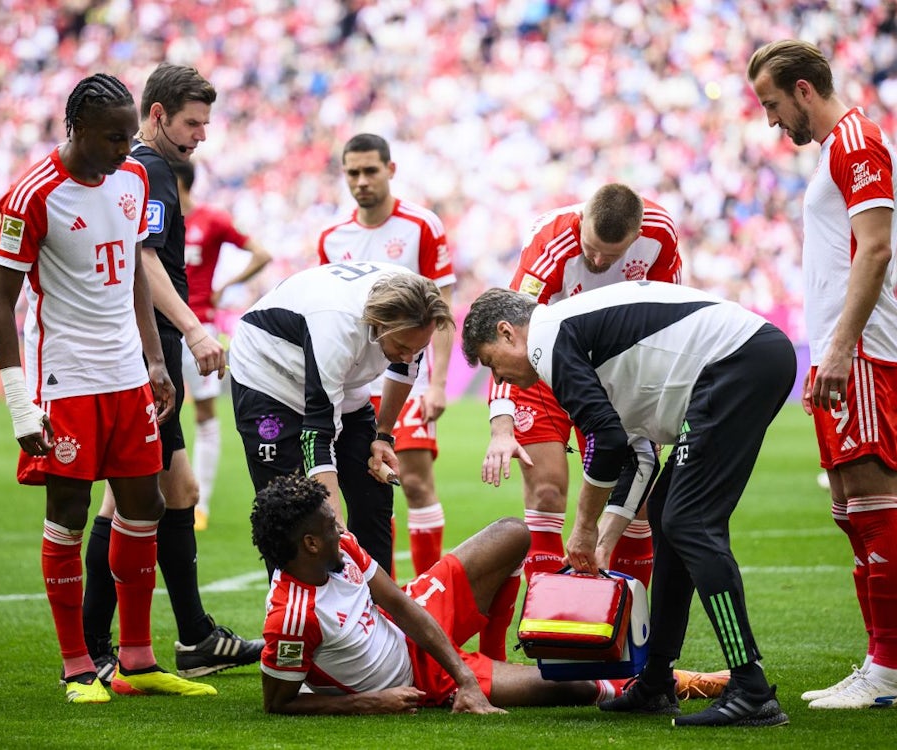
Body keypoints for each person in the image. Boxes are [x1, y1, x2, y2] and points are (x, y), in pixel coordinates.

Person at [462, 282, 795, 727]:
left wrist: (582, 526)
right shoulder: (575, 338)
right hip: (746, 358)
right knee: (668, 516)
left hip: (738, 361)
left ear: (507, 333)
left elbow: (607, 440)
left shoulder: (547, 338)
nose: (499, 378)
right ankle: (656, 681)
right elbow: (637, 453)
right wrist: (604, 541)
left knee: (690, 522)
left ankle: (751, 689)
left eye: (491, 363)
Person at [0, 73, 216, 702]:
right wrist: (19, 403)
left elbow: (138, 276)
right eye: (114, 137)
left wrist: (156, 363)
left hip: (127, 375)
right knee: (67, 513)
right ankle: (76, 666)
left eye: (128, 135)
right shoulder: (31, 195)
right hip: (66, 379)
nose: (126, 148)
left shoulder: (133, 179)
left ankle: (137, 662)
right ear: (77, 129)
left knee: (145, 507)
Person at [250, 473, 726, 714]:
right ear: (309, 544)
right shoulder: (290, 617)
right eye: (329, 525)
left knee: (511, 533)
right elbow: (279, 703)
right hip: (420, 675)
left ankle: (490, 661)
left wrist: (468, 677)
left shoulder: (343, 547)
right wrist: (370, 702)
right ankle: (676, 679)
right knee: (573, 689)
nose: (340, 526)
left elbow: (399, 603)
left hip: (417, 616)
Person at [80, 63, 263, 684]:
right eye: (192, 123)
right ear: (157, 115)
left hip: (148, 352)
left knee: (171, 493)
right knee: (128, 497)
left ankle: (191, 636)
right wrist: (192, 327)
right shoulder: (150, 171)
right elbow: (144, 259)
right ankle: (96, 646)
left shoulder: (140, 168)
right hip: (146, 352)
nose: (201, 136)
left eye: (206, 124)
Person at [749, 39, 897, 709]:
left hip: (863, 351)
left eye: (773, 104)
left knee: (873, 506)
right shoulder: (842, 149)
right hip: (843, 349)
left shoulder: (856, 144)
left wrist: (840, 347)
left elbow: (877, 249)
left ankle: (889, 674)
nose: (774, 121)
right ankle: (878, 665)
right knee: (848, 508)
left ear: (804, 89)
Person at [483, 184, 681, 587]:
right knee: (547, 494)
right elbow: (508, 341)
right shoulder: (549, 245)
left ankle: (626, 630)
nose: (597, 259)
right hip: (541, 367)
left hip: (613, 372)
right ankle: (547, 627)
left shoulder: (660, 234)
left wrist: (654, 403)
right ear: (581, 223)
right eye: (591, 248)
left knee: (635, 509)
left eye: (612, 255)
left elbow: (667, 321)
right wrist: (501, 427)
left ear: (638, 234)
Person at [228, 261, 454, 578]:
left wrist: (384, 436)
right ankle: (295, 614)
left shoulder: (418, 309)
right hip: (270, 375)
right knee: (289, 508)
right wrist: (337, 528)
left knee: (373, 491)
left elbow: (405, 368)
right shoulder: (337, 326)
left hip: (340, 379)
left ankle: (377, 615)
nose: (409, 354)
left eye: (417, 348)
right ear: (379, 324)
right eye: (402, 346)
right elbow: (318, 437)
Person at [318, 133, 456, 578]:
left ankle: (429, 593)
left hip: (406, 377)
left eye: (370, 171)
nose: (361, 181)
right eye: (352, 172)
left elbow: (441, 309)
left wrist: (436, 383)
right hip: (354, 383)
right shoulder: (332, 236)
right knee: (367, 490)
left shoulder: (422, 226)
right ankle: (381, 590)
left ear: (390, 170)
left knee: (413, 482)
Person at [171, 158, 271, 532]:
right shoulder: (156, 219)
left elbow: (262, 253)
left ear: (178, 181)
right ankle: (163, 496)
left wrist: (226, 286)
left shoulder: (210, 220)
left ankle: (200, 503)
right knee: (157, 413)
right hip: (162, 328)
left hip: (201, 329)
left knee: (204, 415)